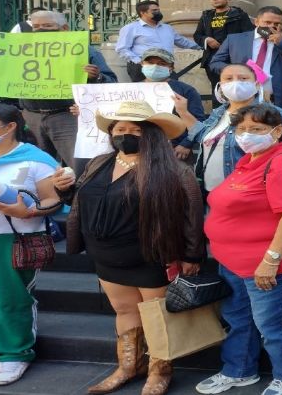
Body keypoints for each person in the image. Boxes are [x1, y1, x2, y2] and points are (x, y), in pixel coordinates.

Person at [54, 100, 205, 395]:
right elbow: (83, 201)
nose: (126, 134)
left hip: (150, 254)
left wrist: (192, 254)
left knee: (157, 315)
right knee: (123, 310)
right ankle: (128, 366)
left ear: (151, 134)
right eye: (120, 128)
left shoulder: (175, 169)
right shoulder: (99, 163)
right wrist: (65, 191)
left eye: (135, 129)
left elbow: (192, 215)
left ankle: (159, 371)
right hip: (106, 253)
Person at [202, 103, 282, 395]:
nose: (246, 135)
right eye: (241, 129)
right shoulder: (249, 161)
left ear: (277, 131)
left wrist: (271, 260)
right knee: (239, 319)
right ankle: (239, 371)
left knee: (276, 325)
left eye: (256, 129)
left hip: (271, 263)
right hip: (235, 262)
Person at [0, 103, 61, 386]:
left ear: (9, 126)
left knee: (10, 297)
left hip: (13, 239)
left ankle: (14, 353)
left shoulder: (35, 159)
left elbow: (53, 199)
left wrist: (31, 210)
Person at [0, 11, 117, 175]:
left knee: (79, 166)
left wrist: (96, 76)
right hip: (30, 117)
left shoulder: (86, 51)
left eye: (47, 26)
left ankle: (77, 197)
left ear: (63, 29)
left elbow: (111, 82)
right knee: (34, 166)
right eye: (36, 27)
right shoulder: (19, 51)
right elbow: (0, 80)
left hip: (66, 117)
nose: (41, 30)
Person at [174, 63, 282, 205]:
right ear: (220, 86)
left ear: (256, 84)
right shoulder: (218, 113)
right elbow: (202, 136)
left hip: (248, 195)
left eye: (243, 78)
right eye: (228, 78)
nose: (235, 83)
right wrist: (183, 111)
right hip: (211, 192)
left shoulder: (276, 114)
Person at [209, 6, 282, 115]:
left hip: (276, 101)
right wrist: (236, 72)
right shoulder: (235, 39)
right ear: (256, 22)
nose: (271, 26)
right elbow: (215, 63)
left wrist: (281, 44)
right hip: (242, 98)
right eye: (267, 22)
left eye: (276, 24)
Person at [136, 48, 206, 160]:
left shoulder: (186, 90)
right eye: (150, 63)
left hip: (175, 151)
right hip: (139, 149)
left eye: (162, 64)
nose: (155, 67)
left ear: (171, 68)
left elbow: (199, 121)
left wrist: (186, 144)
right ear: (142, 64)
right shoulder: (131, 90)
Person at [116, 0, 201, 82]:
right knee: (146, 93)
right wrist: (139, 62)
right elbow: (122, 49)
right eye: (154, 10)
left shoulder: (167, 28)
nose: (158, 12)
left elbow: (182, 41)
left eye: (158, 10)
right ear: (143, 13)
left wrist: (202, 46)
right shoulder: (131, 28)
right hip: (142, 67)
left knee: (170, 91)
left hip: (165, 66)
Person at [193, 0, 254, 94]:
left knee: (237, 88)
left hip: (234, 58)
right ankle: (218, 111)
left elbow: (249, 35)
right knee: (218, 89)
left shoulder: (239, 15)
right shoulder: (206, 16)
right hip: (213, 59)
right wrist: (207, 40)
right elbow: (197, 35)